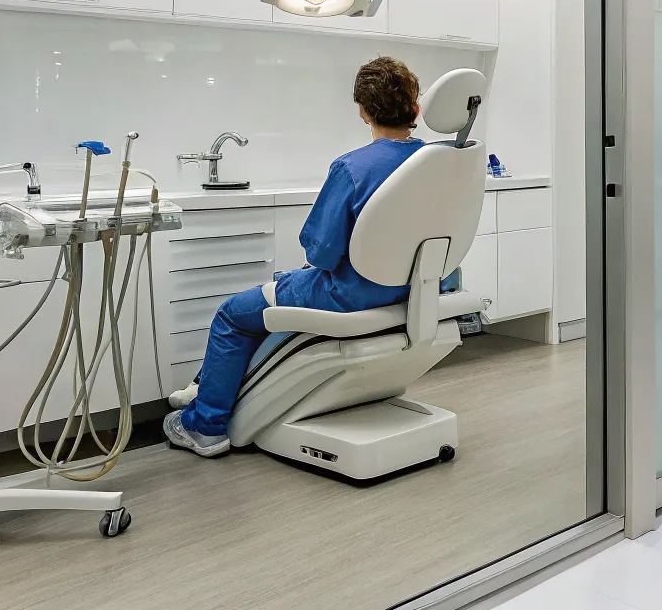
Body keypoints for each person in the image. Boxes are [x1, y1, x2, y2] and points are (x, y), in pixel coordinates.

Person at [164, 56, 449, 457]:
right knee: (278, 291)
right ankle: (204, 385)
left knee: (234, 314)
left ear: (364, 112)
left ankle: (205, 425)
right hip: (409, 290)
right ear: (415, 109)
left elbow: (320, 251)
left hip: (348, 295)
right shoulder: (436, 163)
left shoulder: (352, 168)